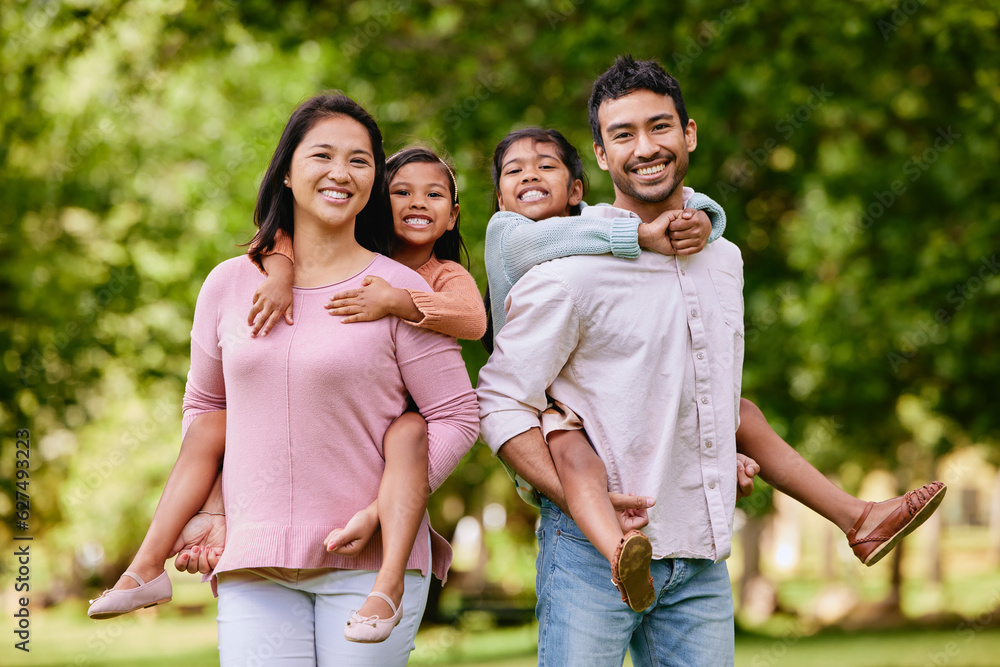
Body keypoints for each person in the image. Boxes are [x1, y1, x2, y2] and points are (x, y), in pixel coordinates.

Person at [481, 127, 947, 615]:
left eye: (546, 166)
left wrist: (706, 218)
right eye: (514, 170)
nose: (529, 174)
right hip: (548, 416)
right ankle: (618, 552)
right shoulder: (510, 233)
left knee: (738, 412)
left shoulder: (593, 228)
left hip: (614, 429)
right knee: (579, 463)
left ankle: (857, 518)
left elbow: (678, 203)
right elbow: (556, 240)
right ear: (498, 198)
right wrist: (640, 235)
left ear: (577, 189)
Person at [97, 93, 480, 665]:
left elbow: (457, 415)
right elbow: (206, 407)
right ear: (287, 174)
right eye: (322, 155)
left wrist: (382, 509)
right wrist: (214, 508)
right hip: (255, 561)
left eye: (360, 160)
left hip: (371, 568)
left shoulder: (396, 291)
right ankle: (144, 568)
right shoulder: (228, 284)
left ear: (374, 181)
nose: (341, 172)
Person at [245, 146, 487, 642]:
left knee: (408, 432)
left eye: (434, 194)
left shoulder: (444, 273)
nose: (418, 203)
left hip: (413, 427)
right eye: (401, 192)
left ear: (452, 215)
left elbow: (474, 318)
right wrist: (282, 274)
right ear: (379, 201)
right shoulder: (356, 253)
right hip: (354, 432)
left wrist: (396, 299)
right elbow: (276, 238)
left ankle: (390, 576)